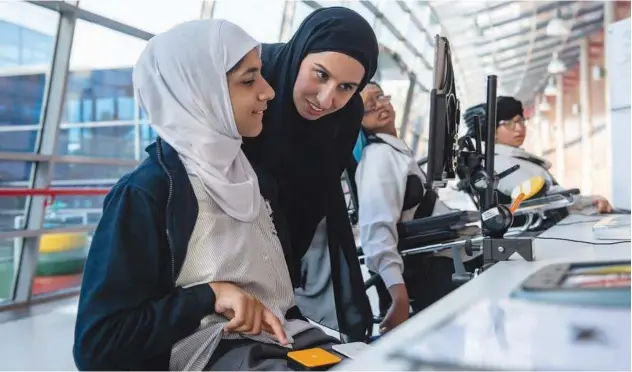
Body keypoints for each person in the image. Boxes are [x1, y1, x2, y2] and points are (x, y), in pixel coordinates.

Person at [73, 20, 339, 371]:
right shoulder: (148, 193)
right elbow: (99, 342)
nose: (268, 91)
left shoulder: (257, 183)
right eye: (248, 80)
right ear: (198, 92)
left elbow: (280, 301)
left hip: (280, 345)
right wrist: (209, 296)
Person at [242, 7, 379, 341]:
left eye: (346, 87)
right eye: (320, 75)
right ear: (301, 52)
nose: (327, 99)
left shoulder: (347, 115)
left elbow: (318, 189)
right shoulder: (256, 80)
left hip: (291, 232)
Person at [353, 82, 482, 333]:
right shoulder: (378, 158)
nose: (379, 105)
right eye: (368, 106)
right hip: (427, 272)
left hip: (443, 260)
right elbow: (376, 230)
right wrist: (399, 296)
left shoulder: (395, 150)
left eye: (379, 96)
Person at [463, 96, 613, 216]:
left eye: (521, 120)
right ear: (491, 131)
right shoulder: (498, 163)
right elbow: (542, 200)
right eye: (509, 123)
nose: (519, 128)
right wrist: (590, 203)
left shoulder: (512, 158)